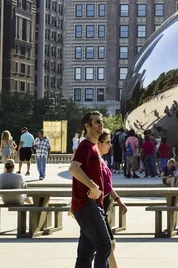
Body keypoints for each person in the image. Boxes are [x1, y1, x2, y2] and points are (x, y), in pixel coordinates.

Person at [68, 111, 112, 268]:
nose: (100, 124)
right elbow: (73, 168)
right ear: (87, 126)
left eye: (101, 121)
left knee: (86, 254)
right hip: (88, 206)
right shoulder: (85, 146)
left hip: (91, 206)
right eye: (96, 122)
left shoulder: (94, 147)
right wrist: (92, 186)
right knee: (104, 245)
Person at [96, 130, 127, 268]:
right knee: (108, 245)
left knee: (107, 246)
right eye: (108, 142)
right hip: (96, 209)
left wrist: (118, 199)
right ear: (98, 143)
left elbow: (108, 186)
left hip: (103, 209)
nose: (110, 144)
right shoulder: (95, 161)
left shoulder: (102, 160)